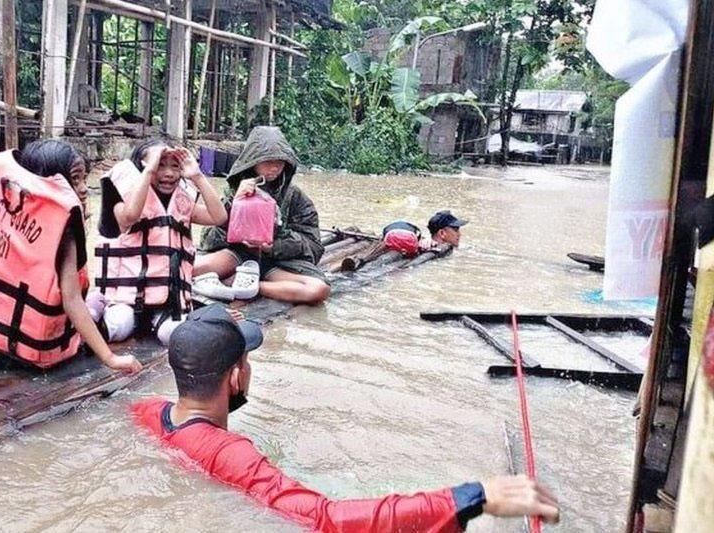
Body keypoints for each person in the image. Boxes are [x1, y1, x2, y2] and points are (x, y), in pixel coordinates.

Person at [132, 304, 561, 532]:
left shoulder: (147, 413)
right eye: (248, 361)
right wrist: (470, 496)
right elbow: (325, 519)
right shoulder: (234, 453)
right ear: (236, 376)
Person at [0, 139, 142, 375]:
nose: (85, 188)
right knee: (107, 309)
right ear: (51, 180)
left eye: (84, 178)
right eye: (75, 179)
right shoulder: (62, 227)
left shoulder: (2, 203)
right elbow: (72, 300)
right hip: (32, 351)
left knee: (95, 300)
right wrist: (111, 358)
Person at [91, 138, 228, 346]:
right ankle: (95, 306)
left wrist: (197, 176)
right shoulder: (123, 199)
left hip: (167, 301)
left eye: (175, 166)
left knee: (174, 336)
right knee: (118, 326)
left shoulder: (182, 202)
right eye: (159, 165)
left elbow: (218, 217)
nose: (168, 173)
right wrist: (148, 172)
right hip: (126, 299)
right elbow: (129, 217)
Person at [193, 126, 330, 305]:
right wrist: (234, 203)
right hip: (236, 256)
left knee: (318, 290)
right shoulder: (236, 190)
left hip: (275, 264)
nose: (274, 168)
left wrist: (272, 245)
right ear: (253, 162)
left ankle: (247, 286)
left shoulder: (295, 197)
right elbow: (208, 238)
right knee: (188, 271)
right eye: (267, 162)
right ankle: (236, 280)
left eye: (279, 163)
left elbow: (313, 246)